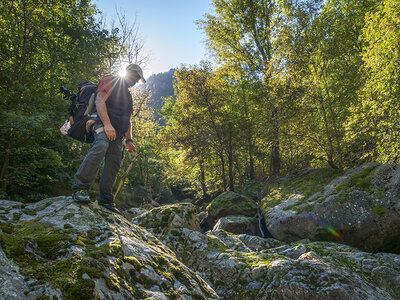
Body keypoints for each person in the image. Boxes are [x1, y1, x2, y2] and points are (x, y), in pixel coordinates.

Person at [72, 64, 146, 213]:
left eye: (138, 79)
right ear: (128, 72)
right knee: (101, 145)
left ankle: (105, 199)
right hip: (99, 122)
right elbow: (100, 100)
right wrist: (107, 125)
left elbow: (128, 119)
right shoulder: (111, 80)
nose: (136, 81)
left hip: (118, 132)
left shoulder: (128, 96)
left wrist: (129, 140)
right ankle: (80, 188)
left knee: (116, 160)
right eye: (136, 77)